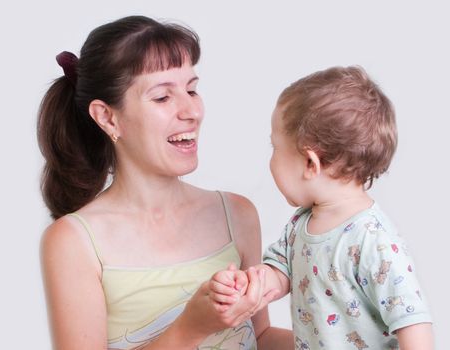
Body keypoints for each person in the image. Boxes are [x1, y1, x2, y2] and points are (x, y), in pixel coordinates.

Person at [37, 15, 292, 350]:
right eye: (162, 97)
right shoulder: (73, 242)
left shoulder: (237, 214)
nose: (192, 111)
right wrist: (190, 328)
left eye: (191, 89)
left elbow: (258, 337)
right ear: (107, 117)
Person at [209, 66, 434, 349]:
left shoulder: (373, 240)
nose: (271, 160)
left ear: (309, 163)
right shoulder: (300, 224)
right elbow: (282, 272)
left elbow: (413, 322)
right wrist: (249, 285)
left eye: (275, 147)